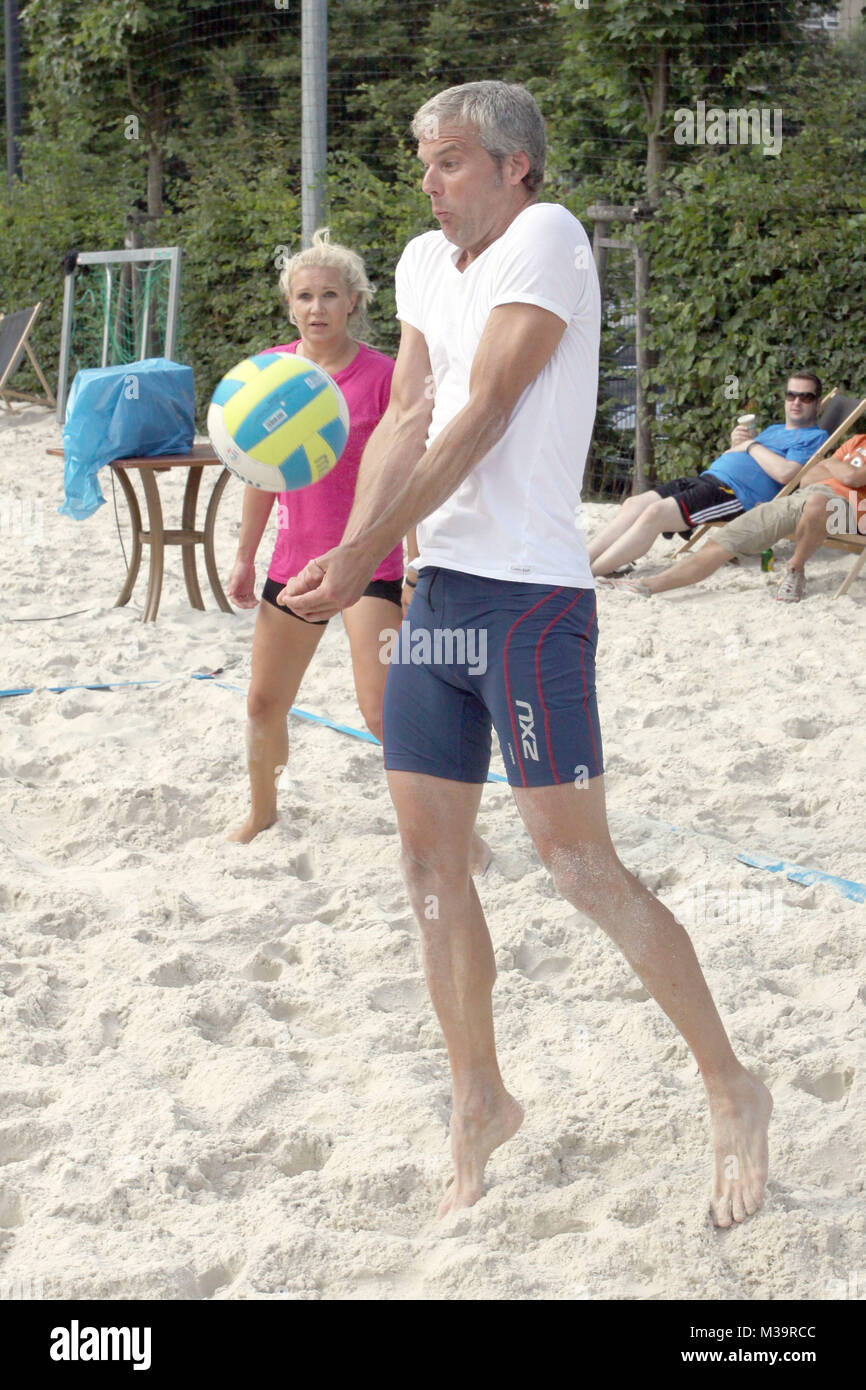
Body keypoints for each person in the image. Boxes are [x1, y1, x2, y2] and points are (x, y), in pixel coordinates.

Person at [281, 81, 771, 1229]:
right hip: (440, 592)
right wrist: (363, 548)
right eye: (423, 162)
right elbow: (407, 415)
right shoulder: (414, 261)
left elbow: (487, 408)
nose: (429, 180)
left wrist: (356, 560)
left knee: (576, 865)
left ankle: (729, 1083)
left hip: (530, 602)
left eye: (449, 160)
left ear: (516, 167)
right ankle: (477, 1097)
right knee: (427, 869)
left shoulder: (545, 239)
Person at [225, 231, 404, 844]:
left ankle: (453, 835)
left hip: (369, 564)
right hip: (294, 562)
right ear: (290, 304)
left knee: (383, 713)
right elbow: (259, 473)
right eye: (305, 296)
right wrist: (245, 557)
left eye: (330, 294)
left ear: (354, 301)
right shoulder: (272, 375)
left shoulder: (387, 377)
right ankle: (262, 813)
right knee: (261, 705)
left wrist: (420, 558)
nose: (317, 307)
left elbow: (414, 473)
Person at [588, 375, 828, 576]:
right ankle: (581, 562)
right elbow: (742, 455)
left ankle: (593, 572)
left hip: (734, 496)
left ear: (817, 404)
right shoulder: (774, 429)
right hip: (708, 479)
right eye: (791, 395)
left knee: (655, 513)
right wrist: (738, 443)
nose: (796, 401)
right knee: (634, 503)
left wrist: (750, 447)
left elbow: (786, 474)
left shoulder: (813, 437)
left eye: (805, 397)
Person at [599, 432, 866, 602]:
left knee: (818, 503)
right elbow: (807, 478)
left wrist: (831, 465)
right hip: (802, 499)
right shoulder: (857, 441)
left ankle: (795, 569)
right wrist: (833, 468)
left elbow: (850, 476)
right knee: (725, 540)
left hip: (849, 510)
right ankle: (648, 585)